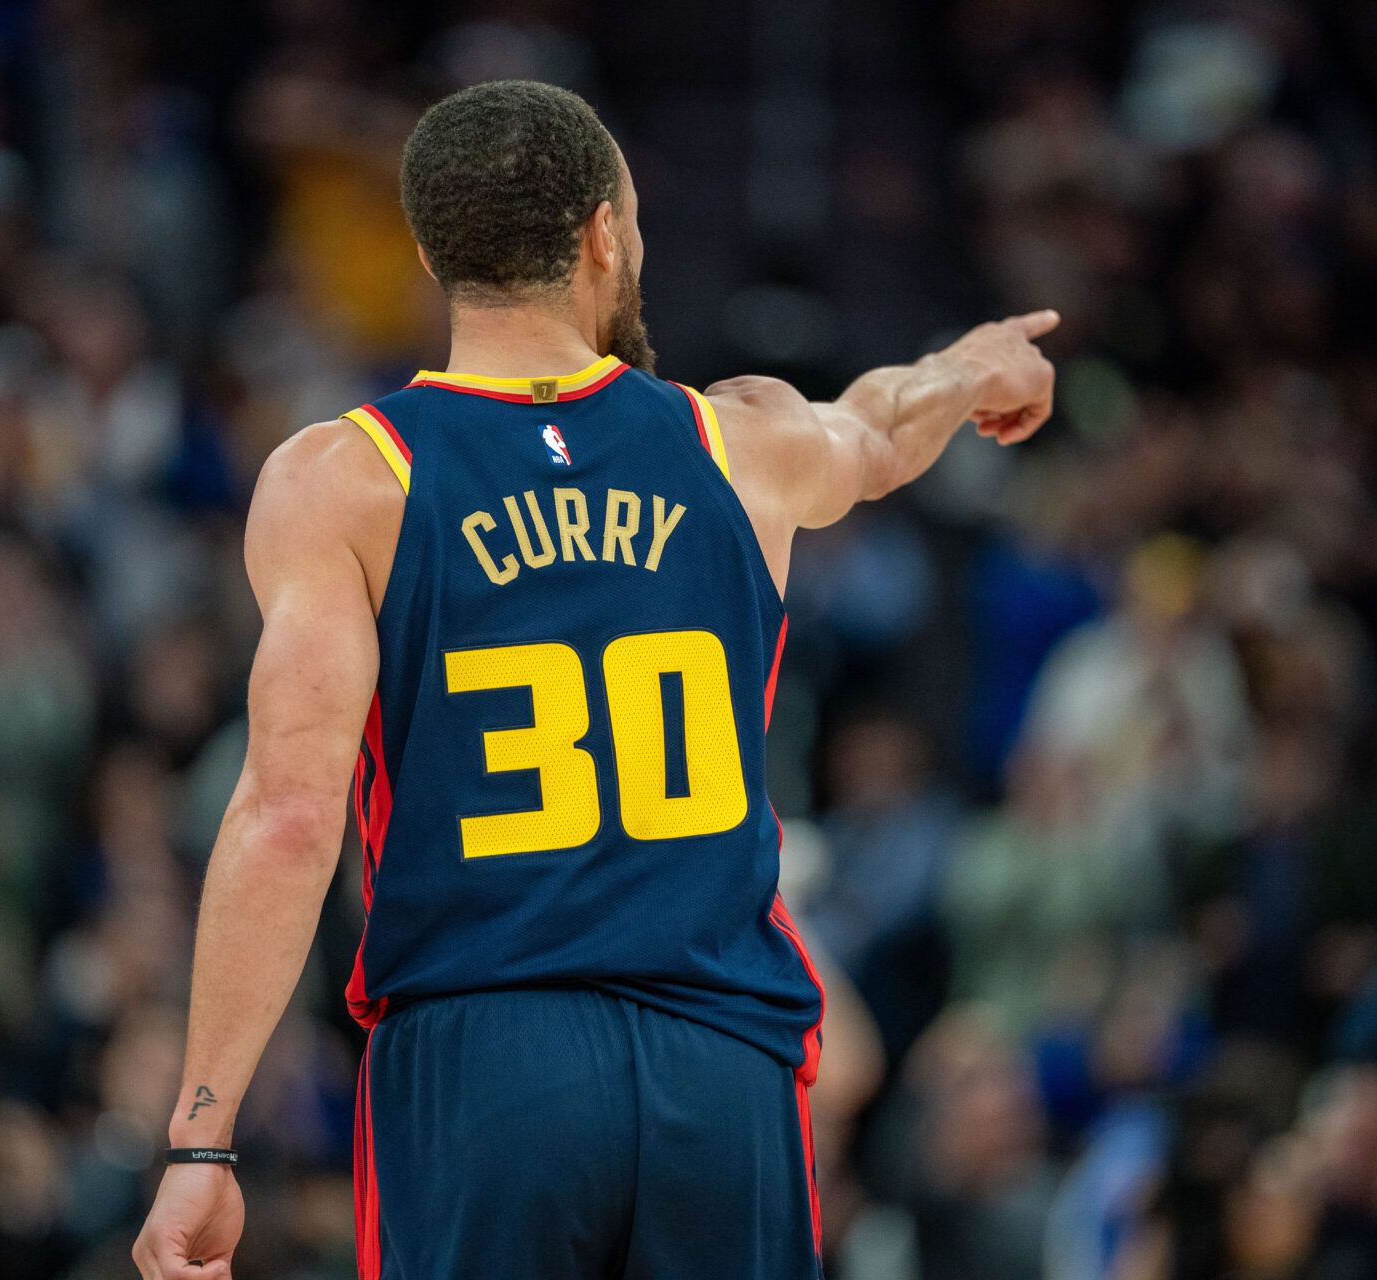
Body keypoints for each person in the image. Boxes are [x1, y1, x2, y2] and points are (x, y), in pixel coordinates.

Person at [130, 79, 1057, 1280]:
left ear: (429, 252)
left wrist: (203, 1138)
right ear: (604, 235)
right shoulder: (737, 440)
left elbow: (291, 812)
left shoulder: (350, 479)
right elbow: (877, 426)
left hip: (484, 1057)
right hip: (721, 1060)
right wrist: (972, 366)